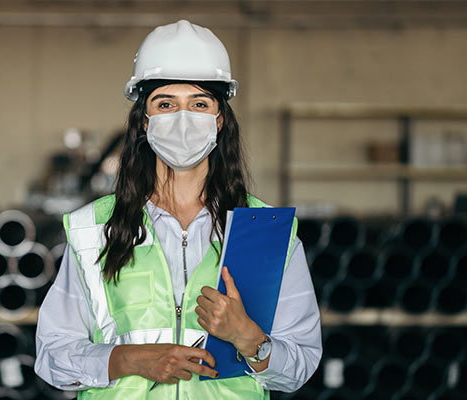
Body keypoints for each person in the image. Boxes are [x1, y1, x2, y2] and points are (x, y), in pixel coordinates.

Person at [35, 20, 322, 399]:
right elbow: (52, 356)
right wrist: (126, 360)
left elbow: (299, 366)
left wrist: (250, 340)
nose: (183, 119)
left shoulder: (264, 230)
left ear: (219, 120)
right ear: (146, 120)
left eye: (199, 104)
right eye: (166, 104)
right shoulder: (95, 228)